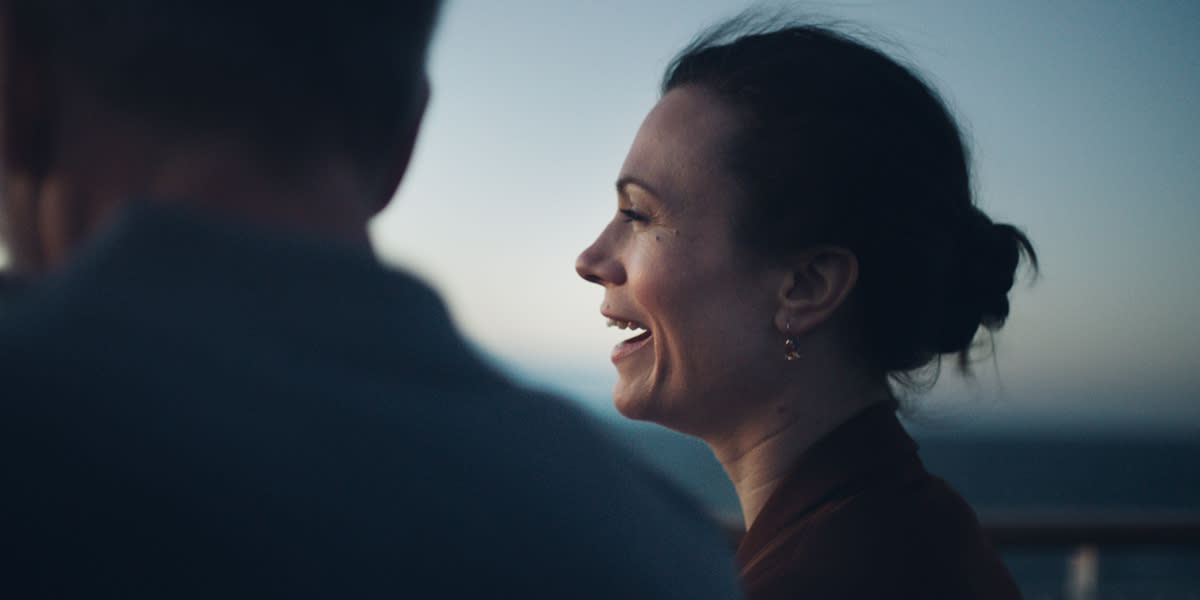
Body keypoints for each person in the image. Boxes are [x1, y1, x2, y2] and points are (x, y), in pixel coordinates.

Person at [0, 3, 743, 598]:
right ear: (401, 142)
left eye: (639, 215)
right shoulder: (659, 553)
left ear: (16, 91)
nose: (591, 259)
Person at [576, 18, 1037, 600]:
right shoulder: (914, 527)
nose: (590, 258)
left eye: (638, 216)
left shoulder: (829, 576)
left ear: (806, 286)